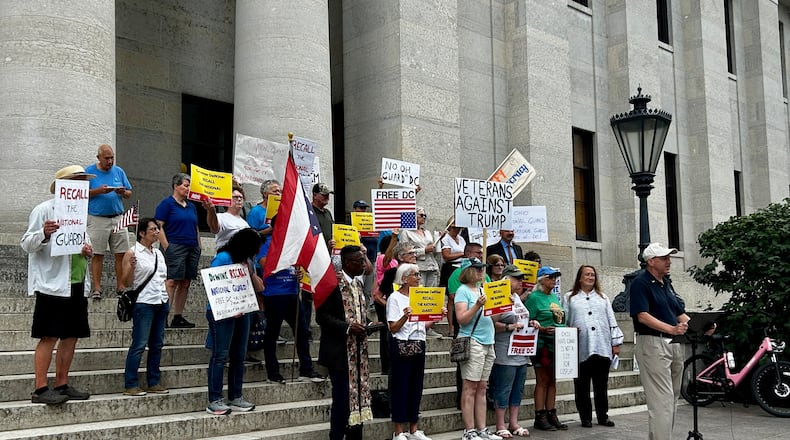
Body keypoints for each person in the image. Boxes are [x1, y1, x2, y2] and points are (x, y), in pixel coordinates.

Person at [21, 165, 96, 405]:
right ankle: (40, 388)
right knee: (49, 335)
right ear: (65, 185)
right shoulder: (44, 209)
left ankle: (62, 383)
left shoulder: (80, 213)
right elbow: (27, 244)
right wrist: (43, 233)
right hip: (53, 283)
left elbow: (85, 244)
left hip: (75, 282)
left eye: (84, 182)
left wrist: (87, 250)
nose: (83, 185)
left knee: (71, 335)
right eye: (79, 181)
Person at [317, 245, 377, 440]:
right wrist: (348, 327)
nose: (363, 264)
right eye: (360, 261)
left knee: (359, 400)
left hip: (358, 353)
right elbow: (322, 317)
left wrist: (369, 324)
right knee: (342, 400)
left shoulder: (358, 285)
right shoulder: (333, 283)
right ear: (348, 263)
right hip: (339, 353)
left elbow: (359, 313)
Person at [630, 242, 689, 440]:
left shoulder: (666, 283)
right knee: (662, 401)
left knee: (671, 397)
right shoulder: (640, 282)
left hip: (672, 344)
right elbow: (642, 316)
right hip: (653, 344)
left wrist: (703, 326)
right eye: (664, 258)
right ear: (651, 261)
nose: (669, 261)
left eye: (669, 257)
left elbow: (679, 313)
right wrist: (671, 329)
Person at [258, 215, 324, 384]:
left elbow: (297, 263)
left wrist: (298, 271)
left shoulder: (292, 244)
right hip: (274, 294)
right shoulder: (267, 243)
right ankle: (272, 373)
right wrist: (284, 256)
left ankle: (306, 369)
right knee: (272, 334)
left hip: (292, 292)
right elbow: (265, 263)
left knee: (302, 332)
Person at [205, 228, 263, 415]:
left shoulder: (248, 261)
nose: (256, 252)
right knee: (220, 355)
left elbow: (259, 287)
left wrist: (250, 273)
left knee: (239, 354)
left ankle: (236, 395)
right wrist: (229, 307)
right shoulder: (223, 258)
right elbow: (213, 284)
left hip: (243, 311)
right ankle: (215, 399)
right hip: (222, 313)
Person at [386, 263, 445, 440]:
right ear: (404, 279)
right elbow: (393, 328)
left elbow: (422, 326)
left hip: (419, 343)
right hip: (401, 344)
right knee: (400, 386)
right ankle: (398, 430)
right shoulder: (395, 298)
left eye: (419, 274)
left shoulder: (419, 297)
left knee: (416, 386)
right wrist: (406, 315)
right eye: (415, 275)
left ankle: (414, 428)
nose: (419, 278)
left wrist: (436, 317)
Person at [563, 265, 622, 428]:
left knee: (601, 385)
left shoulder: (603, 297)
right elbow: (564, 320)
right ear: (580, 278)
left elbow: (611, 320)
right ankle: (586, 417)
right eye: (587, 274)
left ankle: (603, 416)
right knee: (581, 385)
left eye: (593, 275)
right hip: (580, 347)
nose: (590, 277)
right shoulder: (569, 297)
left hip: (602, 345)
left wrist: (616, 343)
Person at [120, 217, 170, 396]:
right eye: (152, 230)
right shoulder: (133, 253)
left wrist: (166, 299)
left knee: (157, 343)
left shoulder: (158, 253)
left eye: (157, 229)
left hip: (160, 300)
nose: (156, 232)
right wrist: (131, 268)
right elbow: (125, 282)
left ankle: (153, 380)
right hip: (143, 302)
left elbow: (163, 278)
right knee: (139, 343)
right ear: (142, 233)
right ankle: (131, 383)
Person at [454, 258, 502, 440]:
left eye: (482, 268)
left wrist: (502, 305)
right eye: (477, 268)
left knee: (482, 387)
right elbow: (462, 319)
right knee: (470, 386)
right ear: (468, 271)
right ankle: (469, 430)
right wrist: (477, 305)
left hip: (488, 340)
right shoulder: (462, 291)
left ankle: (482, 429)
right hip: (473, 340)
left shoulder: (484, 289)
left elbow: (494, 319)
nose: (481, 271)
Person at [490, 265, 540, 438]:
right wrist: (510, 326)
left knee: (517, 389)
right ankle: (500, 423)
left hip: (521, 350)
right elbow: (490, 323)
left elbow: (522, 317)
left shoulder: (517, 297)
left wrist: (532, 323)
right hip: (504, 351)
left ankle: (513, 422)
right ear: (506, 279)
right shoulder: (497, 296)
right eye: (516, 278)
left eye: (520, 278)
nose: (520, 281)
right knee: (503, 388)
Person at [85, 144, 133, 299]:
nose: (110, 161)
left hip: (118, 217)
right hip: (97, 218)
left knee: (121, 253)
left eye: (112, 158)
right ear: (98, 157)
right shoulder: (89, 172)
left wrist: (122, 191)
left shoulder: (119, 171)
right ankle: (97, 288)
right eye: (107, 158)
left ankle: (121, 286)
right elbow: (82, 193)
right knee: (97, 254)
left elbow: (129, 193)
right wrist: (99, 191)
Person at [155, 173, 201, 328]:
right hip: (175, 245)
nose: (188, 189)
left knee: (186, 282)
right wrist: (166, 246)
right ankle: (163, 316)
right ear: (176, 186)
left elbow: (196, 226)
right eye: (186, 186)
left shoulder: (192, 206)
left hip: (192, 246)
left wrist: (199, 245)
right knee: (172, 281)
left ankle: (178, 316)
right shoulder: (167, 204)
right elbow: (158, 225)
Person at [525, 266, 567, 431]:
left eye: (555, 277)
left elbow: (560, 319)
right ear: (542, 279)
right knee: (542, 379)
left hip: (558, 341)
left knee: (553, 380)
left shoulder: (555, 298)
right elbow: (528, 320)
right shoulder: (534, 298)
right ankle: (540, 414)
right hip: (542, 342)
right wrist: (541, 328)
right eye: (550, 277)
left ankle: (551, 412)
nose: (553, 280)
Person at [400, 207, 441, 288]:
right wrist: (424, 250)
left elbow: (434, 250)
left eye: (425, 215)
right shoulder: (406, 232)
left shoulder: (427, 232)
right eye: (421, 215)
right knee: (419, 293)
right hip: (418, 268)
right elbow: (404, 252)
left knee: (431, 294)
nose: (424, 217)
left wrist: (438, 240)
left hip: (432, 266)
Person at [246, 179, 281, 247]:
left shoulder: (282, 210)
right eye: (275, 191)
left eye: (279, 191)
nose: (278, 193)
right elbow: (249, 236)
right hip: (262, 248)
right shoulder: (255, 211)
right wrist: (266, 231)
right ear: (265, 194)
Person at [439, 222, 466, 288]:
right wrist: (462, 254)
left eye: (458, 228)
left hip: (462, 266)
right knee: (452, 289)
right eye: (453, 227)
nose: (456, 229)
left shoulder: (461, 239)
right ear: (449, 227)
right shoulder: (446, 239)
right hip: (451, 267)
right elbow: (446, 256)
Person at [312, 182, 336, 249]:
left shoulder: (328, 212)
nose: (327, 197)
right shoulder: (309, 212)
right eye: (324, 195)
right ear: (315, 195)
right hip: (317, 252)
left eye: (328, 194)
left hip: (329, 253)